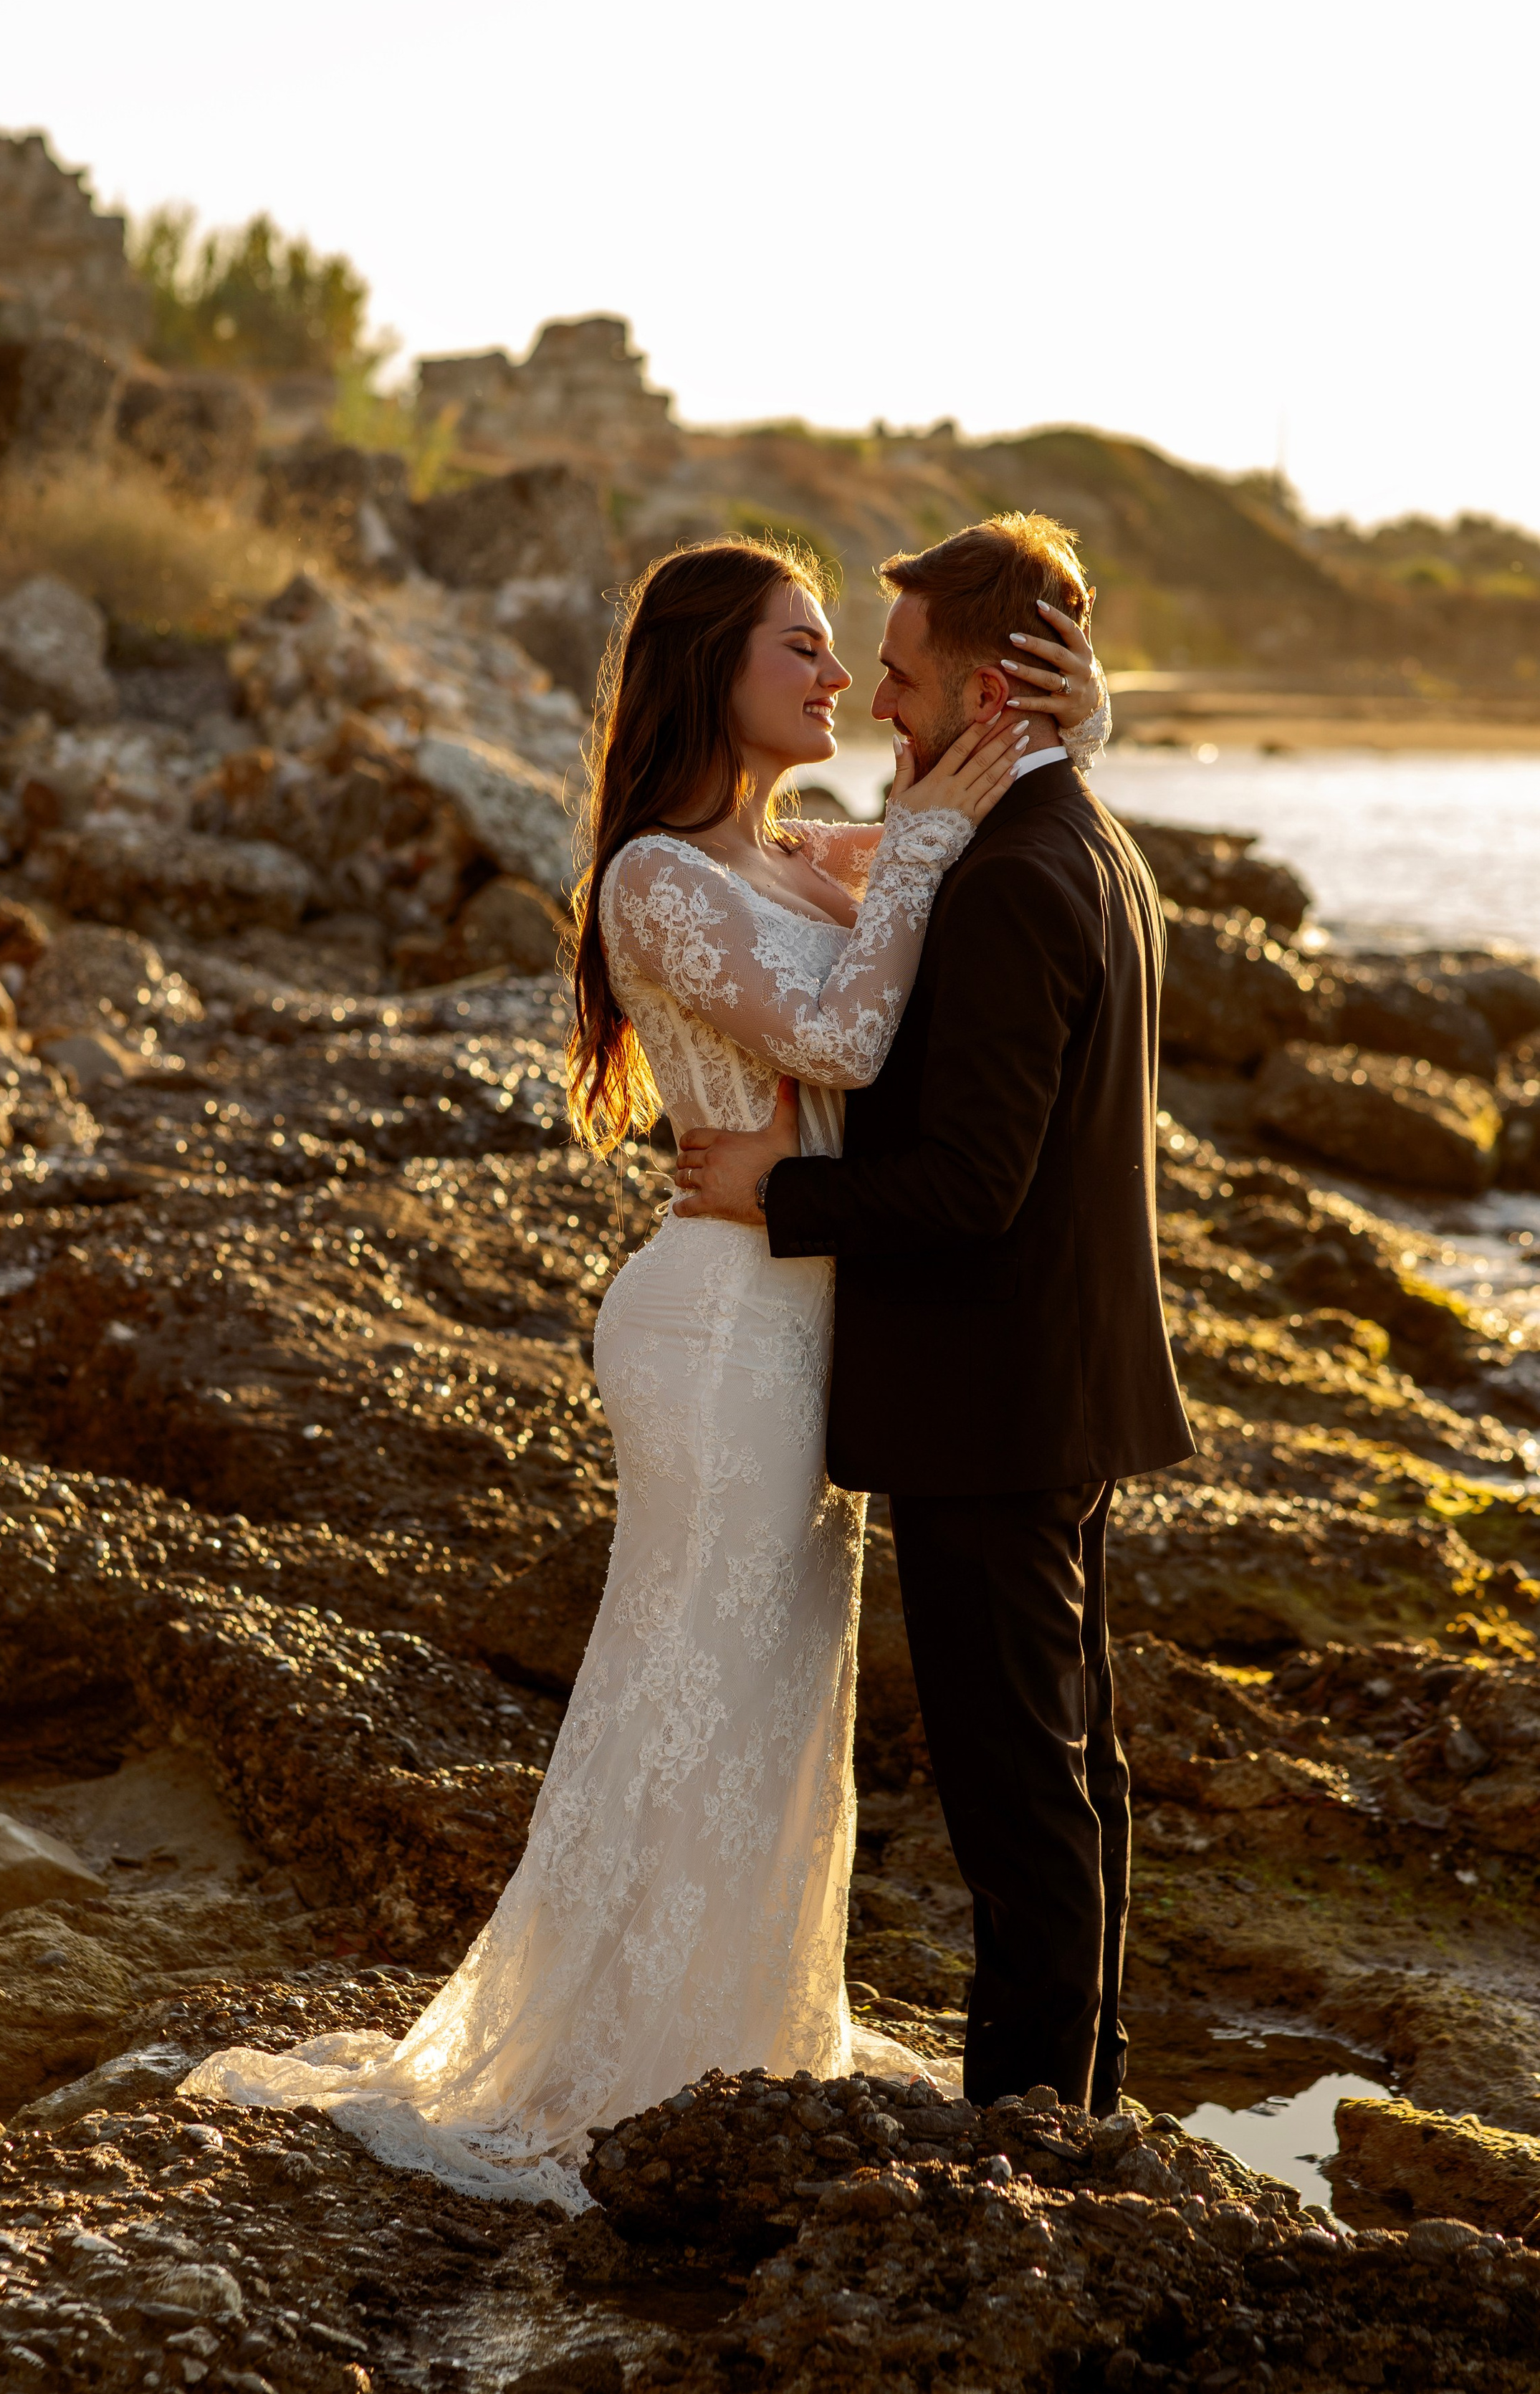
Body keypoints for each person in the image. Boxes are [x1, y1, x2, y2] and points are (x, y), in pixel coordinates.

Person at [186, 533, 1111, 2203]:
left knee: (763, 1685)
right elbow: (843, 1034)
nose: (839, 684)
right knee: (687, 1671)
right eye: (803, 650)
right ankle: (616, 2058)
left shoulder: (804, 855)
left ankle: (734, 2027)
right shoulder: (654, 881)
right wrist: (922, 846)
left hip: (805, 1316)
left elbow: (981, 831)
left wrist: (1061, 731)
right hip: (719, 1323)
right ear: (709, 670)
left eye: (853, 656)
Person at [672, 516, 1194, 2117]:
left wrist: (778, 1194)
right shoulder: (1072, 835)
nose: (874, 701)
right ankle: (1080, 2112)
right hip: (1046, 1389)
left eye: (898, 677)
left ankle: (1028, 2139)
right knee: (1068, 1772)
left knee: (1017, 1801)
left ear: (987, 695)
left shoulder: (1015, 882)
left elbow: (970, 1185)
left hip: (992, 1402)